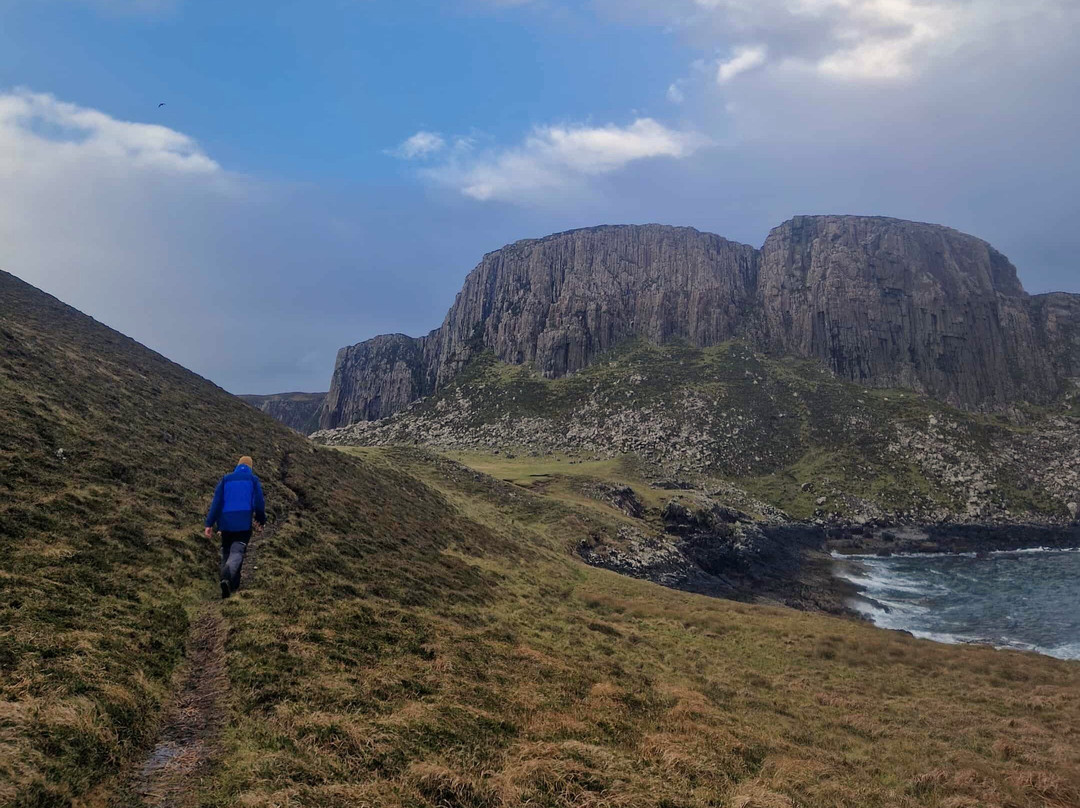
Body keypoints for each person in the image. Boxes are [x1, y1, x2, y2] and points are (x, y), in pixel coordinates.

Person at [204, 456, 266, 599]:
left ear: (237, 466)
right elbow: (259, 502)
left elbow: (216, 503)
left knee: (226, 550)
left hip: (225, 522)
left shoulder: (226, 479)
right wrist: (260, 519)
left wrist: (209, 524)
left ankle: (230, 583)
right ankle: (227, 576)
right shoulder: (253, 480)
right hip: (243, 521)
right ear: (250, 467)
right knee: (237, 550)